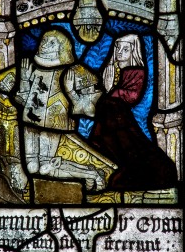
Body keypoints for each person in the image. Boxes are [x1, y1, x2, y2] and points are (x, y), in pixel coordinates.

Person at [15, 29, 106, 191]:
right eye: (43, 41)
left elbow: (91, 102)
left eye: (51, 43)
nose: (44, 46)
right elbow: (22, 100)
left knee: (45, 167)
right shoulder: (33, 66)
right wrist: (23, 80)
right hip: (30, 121)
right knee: (31, 167)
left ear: (62, 48)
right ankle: (89, 173)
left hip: (54, 122)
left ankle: (90, 174)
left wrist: (72, 93)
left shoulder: (73, 70)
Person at [89, 34, 178, 191]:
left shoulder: (136, 72)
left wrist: (111, 90)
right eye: (117, 48)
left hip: (120, 116)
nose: (120, 52)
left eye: (125, 49)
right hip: (114, 115)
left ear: (134, 51)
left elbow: (132, 96)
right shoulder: (111, 68)